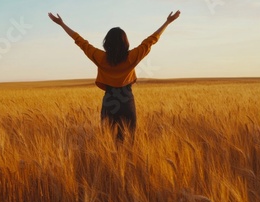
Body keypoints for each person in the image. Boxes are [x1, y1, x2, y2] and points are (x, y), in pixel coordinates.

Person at [48, 10, 180, 142]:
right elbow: (150, 41)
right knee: (129, 142)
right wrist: (167, 22)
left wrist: (62, 24)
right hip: (127, 101)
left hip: (109, 101)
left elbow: (80, 41)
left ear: (107, 43)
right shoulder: (132, 57)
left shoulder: (100, 57)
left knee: (109, 140)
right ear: (125, 42)